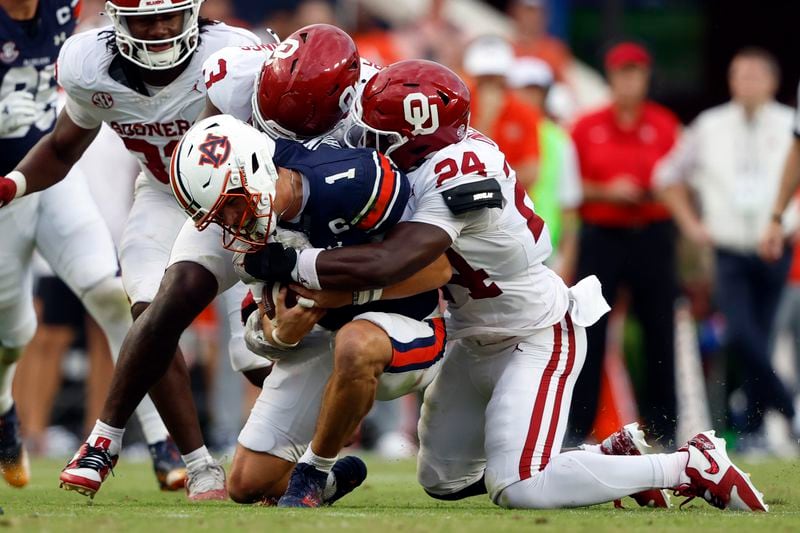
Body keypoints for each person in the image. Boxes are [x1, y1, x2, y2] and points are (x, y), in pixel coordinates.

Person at [245, 59, 768, 512]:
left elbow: (393, 260)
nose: (369, 144)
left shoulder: (458, 168)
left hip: (535, 331)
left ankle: (688, 464)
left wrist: (293, 263)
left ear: (419, 135)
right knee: (444, 482)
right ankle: (606, 461)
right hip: (471, 339)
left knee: (518, 486)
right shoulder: (429, 155)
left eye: (382, 136)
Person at [0, 0, 264, 499]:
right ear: (117, 21)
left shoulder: (233, 54)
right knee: (149, 312)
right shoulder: (90, 65)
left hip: (241, 200)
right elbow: (61, 148)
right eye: (145, 18)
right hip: (164, 194)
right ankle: (197, 465)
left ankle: (301, 450)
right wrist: (12, 184)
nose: (160, 28)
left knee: (252, 356)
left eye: (170, 15)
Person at [170, 114, 450, 506]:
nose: (231, 223)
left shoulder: (352, 182)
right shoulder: (253, 229)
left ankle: (314, 472)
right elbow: (260, 324)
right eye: (219, 217)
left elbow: (438, 268)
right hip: (327, 335)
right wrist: (281, 333)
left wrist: (347, 296)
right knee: (247, 485)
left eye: (231, 206)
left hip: (408, 324)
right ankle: (335, 479)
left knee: (355, 342)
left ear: (254, 168)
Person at [0, 0, 183, 490]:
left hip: (51, 172)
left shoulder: (64, 9)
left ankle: (160, 438)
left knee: (108, 289)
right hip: (3, 192)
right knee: (15, 332)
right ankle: (4, 411)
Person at [656, 48, 799, 447]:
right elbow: (666, 176)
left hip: (776, 244)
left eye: (755, 75)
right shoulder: (710, 125)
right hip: (730, 249)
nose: (747, 83)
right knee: (739, 330)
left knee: (762, 337)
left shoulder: (790, 123)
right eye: (739, 75)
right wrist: (690, 224)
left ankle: (753, 430)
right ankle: (790, 407)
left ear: (772, 81)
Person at [569, 42, 680, 445]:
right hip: (603, 234)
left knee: (659, 330)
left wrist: (657, 191)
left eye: (637, 72)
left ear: (646, 77)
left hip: (652, 233)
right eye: (623, 72)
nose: (630, 80)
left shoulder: (665, 125)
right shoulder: (585, 126)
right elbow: (571, 188)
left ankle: (665, 428)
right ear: (611, 77)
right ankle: (577, 428)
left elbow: (682, 182)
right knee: (589, 330)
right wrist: (607, 190)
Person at [508, 56, 581, 282]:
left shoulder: (558, 139)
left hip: (546, 249)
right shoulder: (499, 131)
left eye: (536, 91)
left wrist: (566, 261)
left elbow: (569, 205)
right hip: (503, 245)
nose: (530, 98)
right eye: (524, 90)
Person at [462, 36, 539, 190]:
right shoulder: (460, 104)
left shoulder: (524, 112)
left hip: (509, 203)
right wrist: (486, 120)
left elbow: (531, 173)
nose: (490, 84)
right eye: (484, 78)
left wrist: (487, 178)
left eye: (495, 77)